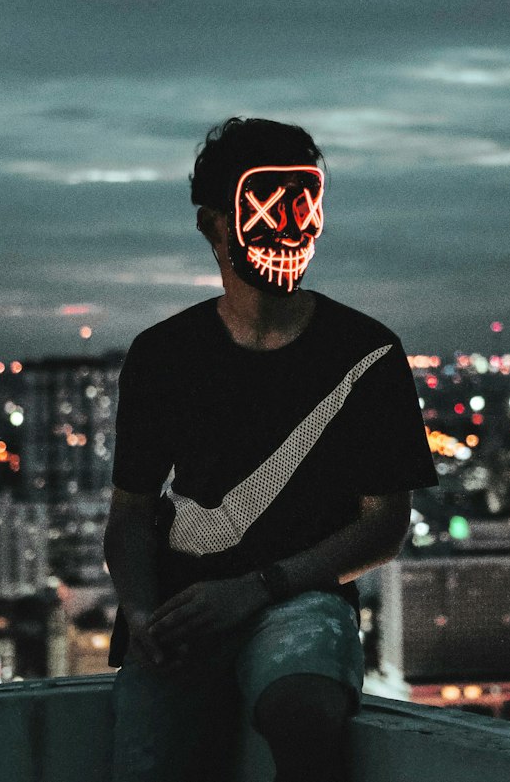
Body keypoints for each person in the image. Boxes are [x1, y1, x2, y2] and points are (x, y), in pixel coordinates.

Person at [105, 117, 438, 782]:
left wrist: (257, 588)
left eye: (303, 205)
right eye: (268, 206)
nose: (291, 229)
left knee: (303, 713)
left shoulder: (367, 354)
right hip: (184, 610)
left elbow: (385, 523)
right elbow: (131, 516)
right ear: (211, 223)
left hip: (303, 601)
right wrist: (141, 611)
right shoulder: (162, 356)